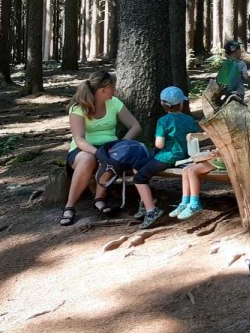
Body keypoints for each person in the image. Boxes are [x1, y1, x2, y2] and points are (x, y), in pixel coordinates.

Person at [59, 70, 144, 226]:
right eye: (112, 87)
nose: (115, 90)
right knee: (88, 159)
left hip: (110, 146)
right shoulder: (78, 108)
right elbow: (79, 139)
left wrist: (122, 145)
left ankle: (99, 199)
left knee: (113, 156)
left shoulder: (114, 103)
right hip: (84, 149)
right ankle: (69, 206)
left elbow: (135, 126)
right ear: (102, 89)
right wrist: (98, 153)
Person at [123, 86, 201, 226]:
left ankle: (151, 211)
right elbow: (195, 137)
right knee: (137, 166)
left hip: (168, 157)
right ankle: (146, 201)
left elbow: (159, 145)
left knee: (139, 178)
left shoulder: (163, 121)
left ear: (162, 103)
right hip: (186, 156)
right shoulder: (189, 119)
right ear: (181, 104)